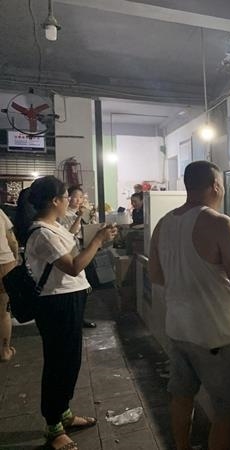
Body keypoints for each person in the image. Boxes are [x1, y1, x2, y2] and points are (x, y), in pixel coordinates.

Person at [148, 161, 230, 450]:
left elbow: (156, 275)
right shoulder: (219, 222)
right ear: (216, 186)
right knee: (226, 411)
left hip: (178, 329)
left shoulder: (163, 223)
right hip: (216, 336)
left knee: (181, 396)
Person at [25, 176, 117, 450]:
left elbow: (75, 251)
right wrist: (98, 240)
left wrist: (97, 236)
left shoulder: (54, 227)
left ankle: (63, 412)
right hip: (56, 304)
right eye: (67, 197)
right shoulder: (42, 233)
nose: (70, 201)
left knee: (70, 361)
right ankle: (53, 426)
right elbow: (74, 266)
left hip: (69, 300)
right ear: (54, 201)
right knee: (58, 363)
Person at [59, 186, 97, 329]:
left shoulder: (81, 213)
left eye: (81, 197)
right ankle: (74, 320)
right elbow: (70, 233)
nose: (78, 200)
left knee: (85, 286)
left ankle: (80, 318)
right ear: (68, 198)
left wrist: (90, 217)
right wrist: (80, 216)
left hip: (82, 250)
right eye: (75, 197)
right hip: (71, 253)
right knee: (75, 287)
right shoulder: (63, 215)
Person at [0, 208, 18, 362]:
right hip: (3, 264)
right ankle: (4, 351)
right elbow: (11, 239)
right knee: (3, 312)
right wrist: (16, 257)